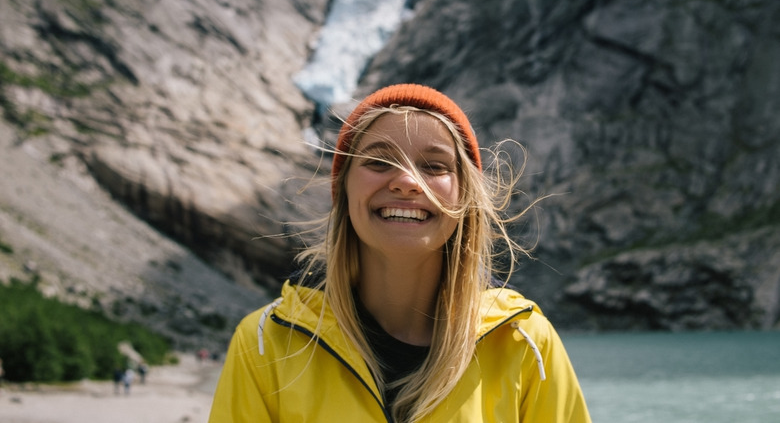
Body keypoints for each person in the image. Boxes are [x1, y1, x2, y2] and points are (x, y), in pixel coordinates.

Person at [209, 84, 591, 422]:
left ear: (466, 196)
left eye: (434, 166)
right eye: (379, 161)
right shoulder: (265, 344)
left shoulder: (525, 344)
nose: (407, 181)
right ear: (343, 192)